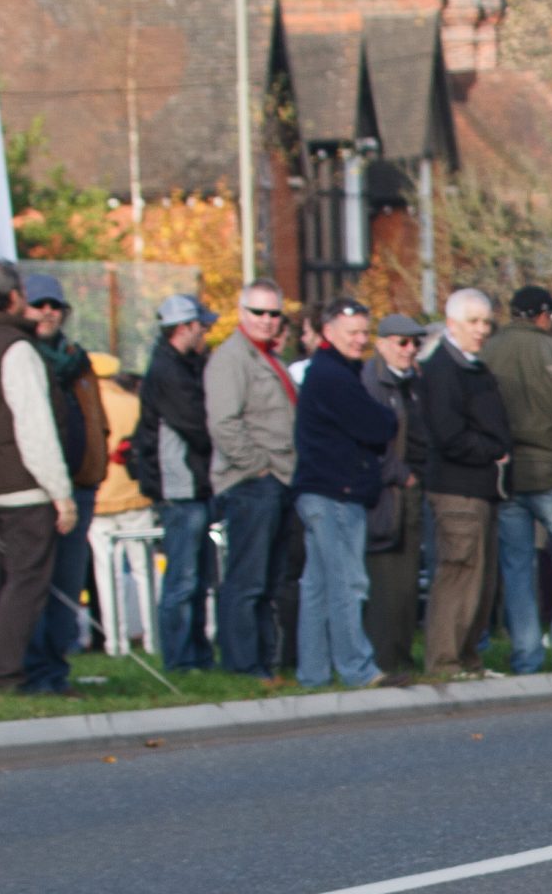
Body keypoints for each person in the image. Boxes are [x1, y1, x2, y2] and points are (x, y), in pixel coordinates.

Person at [482, 285, 552, 675]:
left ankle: (526, 655)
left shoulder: (488, 352)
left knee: (516, 566)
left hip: (508, 475)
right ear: (543, 316)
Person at [290, 296, 400, 688]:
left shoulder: (329, 372)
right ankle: (357, 668)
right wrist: (386, 418)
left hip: (321, 489)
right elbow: (377, 425)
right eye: (352, 332)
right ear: (328, 331)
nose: (360, 340)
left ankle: (314, 672)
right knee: (347, 583)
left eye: (364, 332)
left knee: (318, 586)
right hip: (336, 491)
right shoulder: (333, 376)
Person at [205, 278, 300, 677]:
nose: (266, 320)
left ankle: (264, 661)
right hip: (253, 482)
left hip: (278, 479)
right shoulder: (231, 358)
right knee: (247, 579)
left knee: (269, 580)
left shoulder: (269, 357)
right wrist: (257, 466)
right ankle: (242, 665)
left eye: (274, 313)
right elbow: (223, 423)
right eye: (258, 312)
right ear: (241, 313)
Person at [19, 273, 109, 692]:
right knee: (34, 585)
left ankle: (56, 670)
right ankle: (32, 672)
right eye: (39, 304)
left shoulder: (78, 361)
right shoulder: (20, 357)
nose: (48, 312)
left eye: (55, 305)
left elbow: (95, 421)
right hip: (35, 491)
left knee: (68, 584)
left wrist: (95, 467)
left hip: (80, 485)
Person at [418, 287, 513, 677]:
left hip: (480, 487)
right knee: (459, 573)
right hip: (458, 487)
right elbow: (449, 434)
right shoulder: (443, 370)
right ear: (452, 324)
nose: (482, 329)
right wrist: (492, 451)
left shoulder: (472, 366)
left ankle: (468, 658)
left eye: (486, 322)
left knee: (482, 578)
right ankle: (445, 661)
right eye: (473, 321)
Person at [0, 261, 77, 693]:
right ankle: (7, 675)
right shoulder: (17, 349)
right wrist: (60, 493)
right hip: (23, 488)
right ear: (14, 298)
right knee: (26, 584)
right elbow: (35, 427)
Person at [131, 294, 216, 669]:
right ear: (184, 328)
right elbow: (197, 424)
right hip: (179, 488)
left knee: (196, 579)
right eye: (201, 327)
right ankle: (180, 660)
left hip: (191, 485)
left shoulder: (181, 366)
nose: (205, 334)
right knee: (182, 580)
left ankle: (196, 656)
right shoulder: (168, 371)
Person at [361, 313, 430, 672]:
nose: (410, 349)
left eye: (415, 343)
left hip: (408, 492)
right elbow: (373, 443)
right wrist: (403, 476)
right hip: (387, 495)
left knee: (406, 580)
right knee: (387, 581)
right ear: (382, 343)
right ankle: (385, 660)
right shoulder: (373, 382)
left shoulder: (410, 382)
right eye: (402, 342)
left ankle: (400, 658)